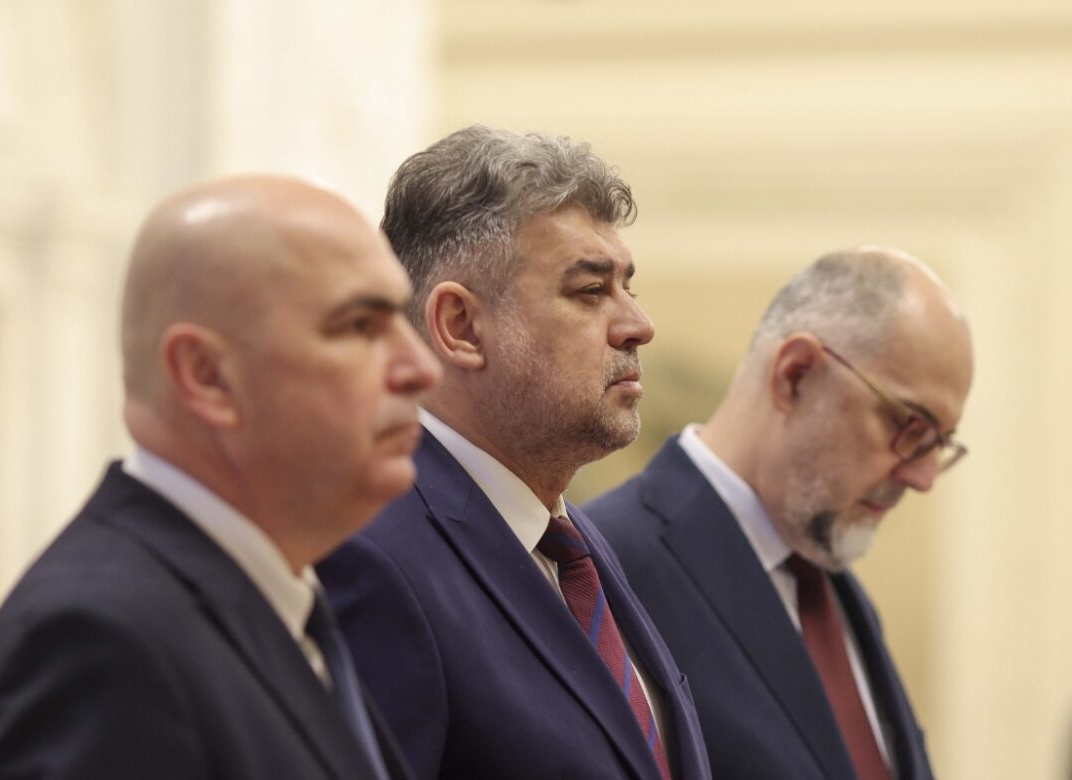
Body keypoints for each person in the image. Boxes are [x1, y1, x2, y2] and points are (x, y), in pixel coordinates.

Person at [0, 175, 441, 779]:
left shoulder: (274, 603)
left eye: (400, 320)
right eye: (360, 326)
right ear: (207, 376)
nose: (421, 368)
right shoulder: (101, 647)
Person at [317, 125, 712, 780]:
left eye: (627, 287)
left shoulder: (569, 541)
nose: (637, 325)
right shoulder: (372, 554)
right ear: (462, 327)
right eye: (590, 291)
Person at [585, 246, 971, 780]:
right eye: (910, 428)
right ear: (797, 375)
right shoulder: (606, 570)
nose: (923, 477)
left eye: (938, 445)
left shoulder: (835, 588)